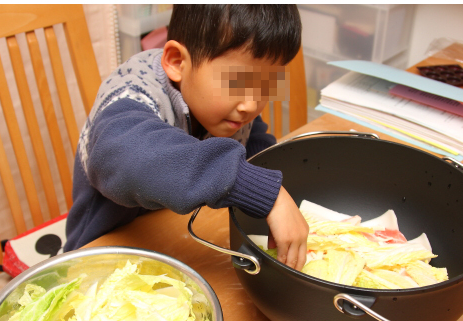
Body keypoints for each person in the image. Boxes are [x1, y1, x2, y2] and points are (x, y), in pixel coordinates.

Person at [65, 5, 309, 269]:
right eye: (236, 82)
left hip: (174, 239)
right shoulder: (132, 94)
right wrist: (256, 188)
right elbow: (127, 156)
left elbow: (253, 138)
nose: (250, 105)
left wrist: (276, 189)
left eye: (265, 85)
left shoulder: (228, 109)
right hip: (101, 254)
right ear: (177, 62)